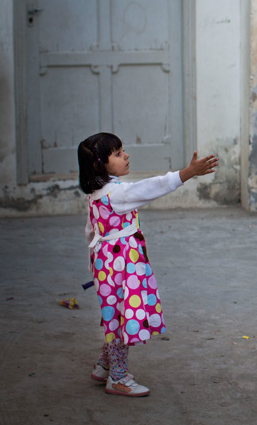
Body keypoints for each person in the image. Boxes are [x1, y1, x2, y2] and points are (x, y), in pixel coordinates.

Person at [78, 133, 218, 397]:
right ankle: (117, 378)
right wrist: (187, 173)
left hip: (106, 267)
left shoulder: (96, 195)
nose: (126, 155)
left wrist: (96, 269)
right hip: (121, 268)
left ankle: (103, 366)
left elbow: (90, 232)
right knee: (121, 320)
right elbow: (153, 187)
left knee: (114, 316)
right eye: (118, 153)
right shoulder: (117, 193)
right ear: (99, 165)